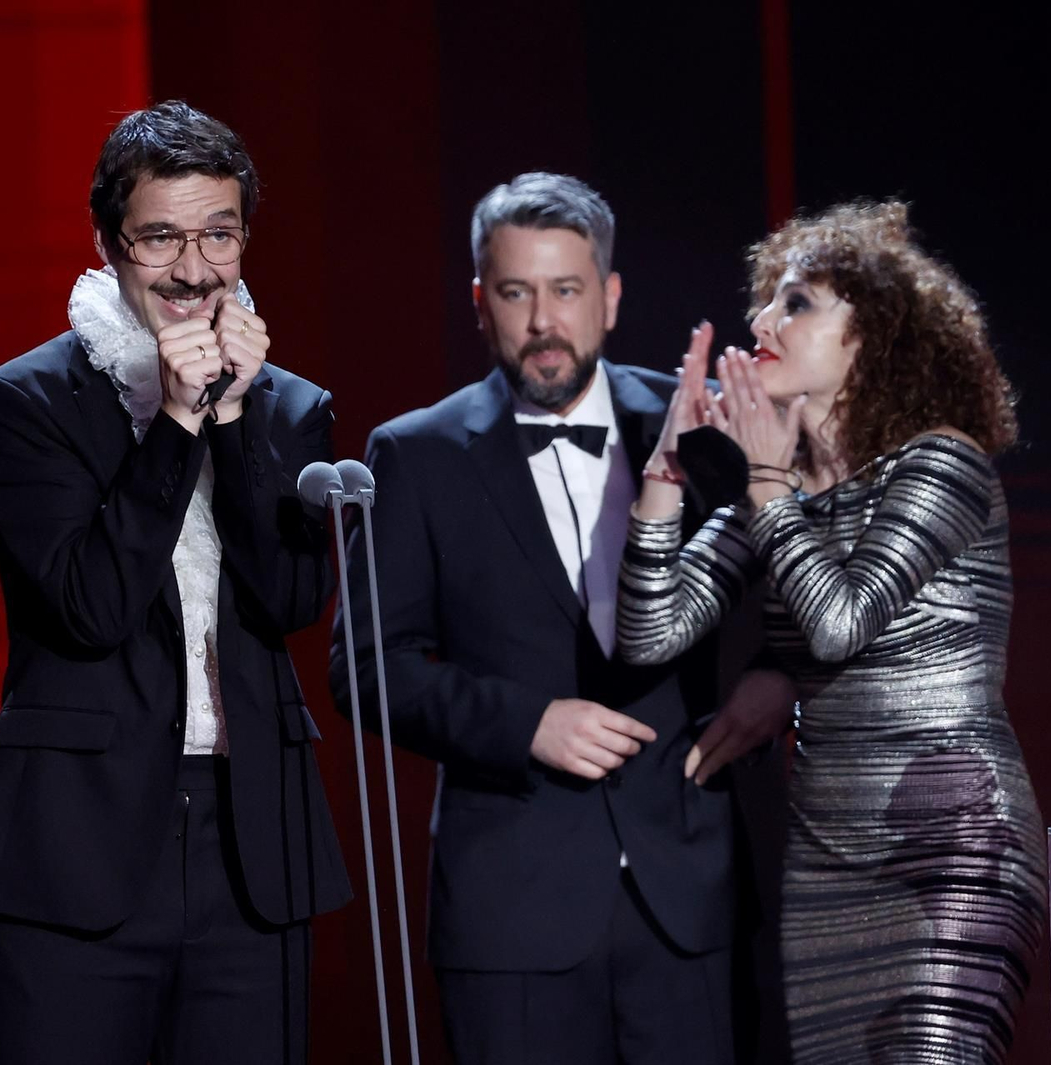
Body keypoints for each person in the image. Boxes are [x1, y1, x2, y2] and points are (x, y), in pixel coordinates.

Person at [331, 172, 791, 1065]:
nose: (544, 320)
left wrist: (782, 672)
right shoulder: (415, 453)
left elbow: (794, 568)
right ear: (480, 302)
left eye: (566, 290)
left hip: (688, 890)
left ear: (610, 297)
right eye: (516, 292)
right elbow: (365, 665)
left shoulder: (702, 426)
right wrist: (525, 722)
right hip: (512, 907)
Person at [0, 100, 350, 1065]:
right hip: (73, 850)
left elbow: (293, 601)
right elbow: (90, 605)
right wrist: (175, 423)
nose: (195, 268)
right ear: (108, 243)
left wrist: (240, 420)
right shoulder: (23, 402)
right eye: (161, 236)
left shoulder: (291, 406)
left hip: (252, 851)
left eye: (219, 233)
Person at [618, 201, 1048, 1064]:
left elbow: (840, 621)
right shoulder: (776, 491)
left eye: (798, 302)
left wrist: (769, 481)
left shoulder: (942, 463)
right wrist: (666, 472)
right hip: (825, 861)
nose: (761, 321)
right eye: (767, 302)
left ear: (874, 336)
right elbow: (649, 630)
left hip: (951, 845)